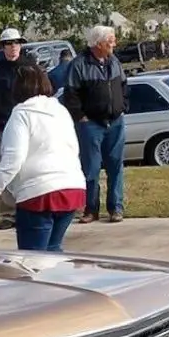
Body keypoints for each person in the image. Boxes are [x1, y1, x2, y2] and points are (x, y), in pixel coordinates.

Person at [0, 65, 86, 252]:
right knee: (53, 250)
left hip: (38, 193)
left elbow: (13, 159)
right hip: (72, 187)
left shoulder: (21, 114)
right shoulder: (60, 111)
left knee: (32, 258)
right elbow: (74, 148)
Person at [62, 25, 128, 224]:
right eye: (110, 40)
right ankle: (91, 210)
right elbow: (70, 95)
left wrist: (123, 106)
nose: (114, 44)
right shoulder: (79, 65)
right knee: (91, 169)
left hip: (115, 122)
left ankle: (116, 208)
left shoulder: (114, 61)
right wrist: (81, 117)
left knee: (116, 166)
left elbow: (124, 86)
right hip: (91, 125)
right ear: (99, 44)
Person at [0, 27, 37, 230]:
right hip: (3, 128)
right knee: (3, 169)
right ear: (3, 47)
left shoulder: (31, 67)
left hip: (28, 127)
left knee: (28, 167)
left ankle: (29, 209)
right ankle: (7, 213)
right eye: (8, 44)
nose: (13, 47)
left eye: (16, 43)